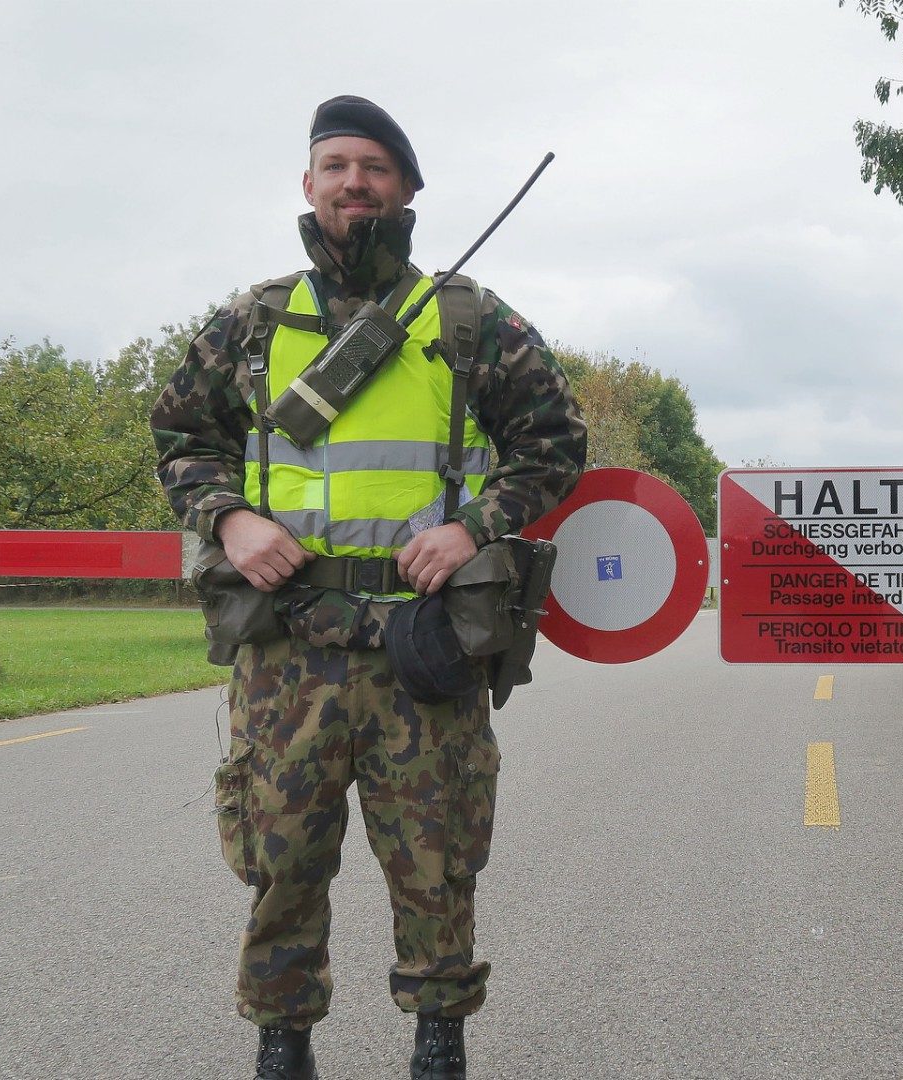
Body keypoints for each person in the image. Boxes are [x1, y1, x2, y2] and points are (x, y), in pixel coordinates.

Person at [151, 95, 585, 1080]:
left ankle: (439, 1045)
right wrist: (230, 516)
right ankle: (282, 1044)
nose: (356, 182)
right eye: (337, 165)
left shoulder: (472, 322)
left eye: (376, 167)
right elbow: (179, 439)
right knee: (280, 861)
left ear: (409, 190)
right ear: (309, 187)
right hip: (286, 645)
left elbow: (557, 446)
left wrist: (473, 527)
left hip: (424, 638)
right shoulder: (251, 324)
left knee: (438, 863)